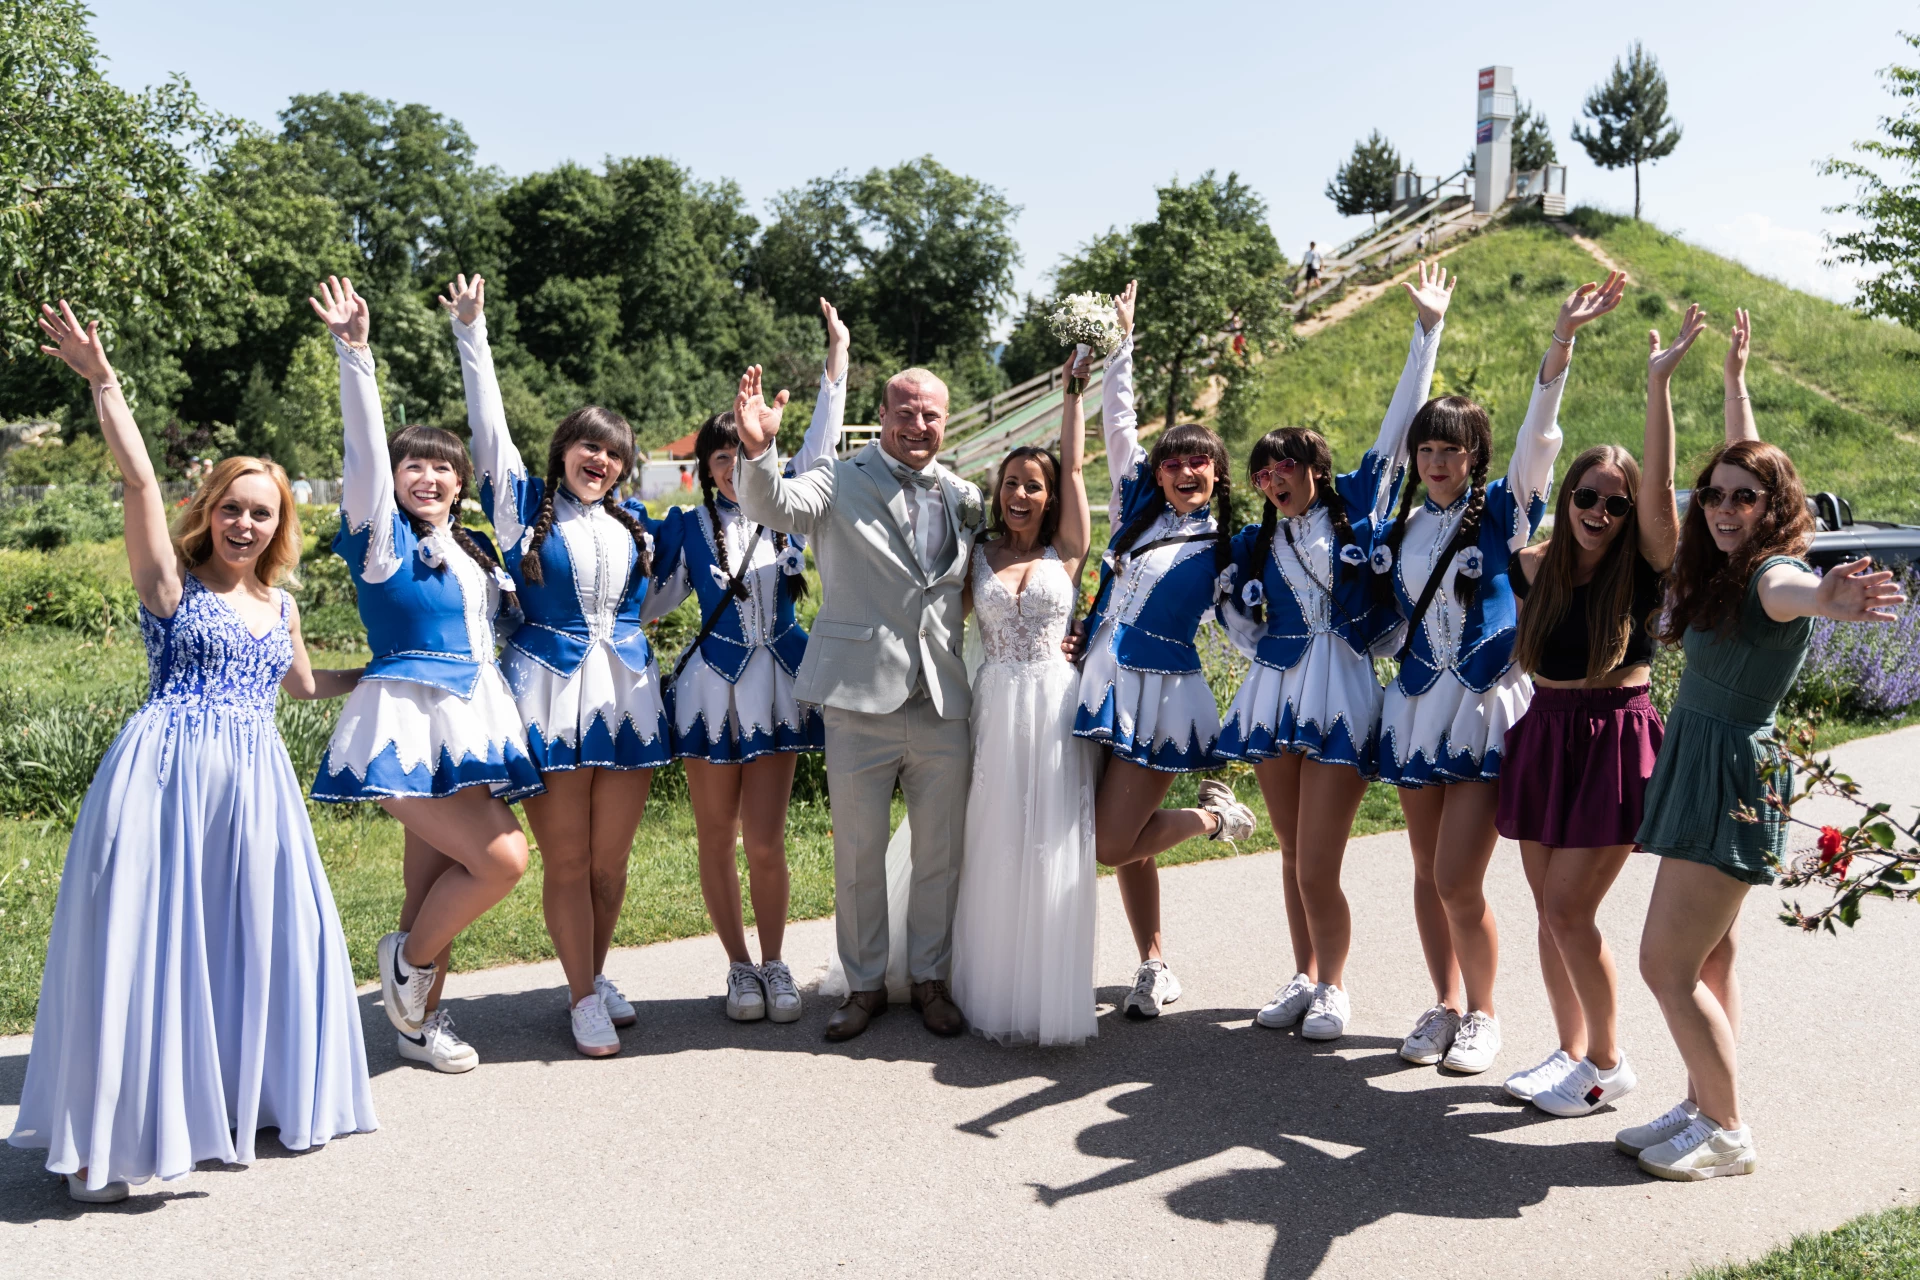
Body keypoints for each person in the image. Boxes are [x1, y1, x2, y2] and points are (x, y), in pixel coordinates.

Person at [10, 301, 377, 1204]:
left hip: (256, 787)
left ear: (276, 524)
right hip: (166, 776)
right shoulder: (170, 587)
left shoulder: (282, 607)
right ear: (208, 512)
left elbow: (300, 688)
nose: (244, 524)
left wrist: (385, 677)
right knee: (148, 945)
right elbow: (138, 485)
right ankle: (106, 1143)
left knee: (248, 940)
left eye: (261, 513)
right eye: (231, 508)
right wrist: (104, 382)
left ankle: (237, 1101)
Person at [1619, 310, 1905, 1181]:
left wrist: (1831, 599)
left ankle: (1729, 1131)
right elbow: (1746, 470)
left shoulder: (1775, 576)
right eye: (1715, 495)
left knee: (1664, 964)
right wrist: (1730, 383)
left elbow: (1796, 589)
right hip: (1708, 765)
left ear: (1775, 508)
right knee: (1707, 955)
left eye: (1747, 496)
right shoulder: (1727, 560)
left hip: (1730, 772)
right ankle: (1705, 1102)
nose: (1728, 506)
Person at [1378, 272, 1626, 1075]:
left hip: (1484, 707)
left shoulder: (1504, 511)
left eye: (1453, 448)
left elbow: (1540, 437)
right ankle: (1445, 1002)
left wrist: (1561, 343)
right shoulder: (1408, 524)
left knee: (1457, 877)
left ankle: (1486, 1012)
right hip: (1416, 706)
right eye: (1428, 447)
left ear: (1476, 456)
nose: (1438, 459)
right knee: (1424, 873)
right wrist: (1425, 334)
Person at [1217, 260, 1454, 1042]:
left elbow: (1400, 426)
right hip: (1275, 686)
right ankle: (1304, 972)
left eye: (1283, 465)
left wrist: (1428, 332)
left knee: (1318, 862)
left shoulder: (1358, 500)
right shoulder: (1260, 540)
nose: (1270, 477)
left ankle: (1335, 987)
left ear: (1314, 468)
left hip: (1343, 688)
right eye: (1261, 470)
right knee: (1290, 858)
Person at [308, 277, 539, 1073]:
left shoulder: (477, 546)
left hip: (473, 726)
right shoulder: (382, 543)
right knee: (504, 860)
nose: (429, 478)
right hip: (405, 723)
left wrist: (472, 336)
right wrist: (355, 356)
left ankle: (415, 1028)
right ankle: (407, 964)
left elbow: (491, 439)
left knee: (432, 885)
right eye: (415, 468)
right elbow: (363, 453)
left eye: (441, 470)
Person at [442, 274, 665, 1059]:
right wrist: (474, 336)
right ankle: (580, 996)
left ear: (625, 465)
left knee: (611, 863)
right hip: (549, 698)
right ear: (563, 450)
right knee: (568, 860)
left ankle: (593, 972)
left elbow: (667, 594)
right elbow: (488, 436)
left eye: (613, 452)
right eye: (587, 445)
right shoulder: (523, 508)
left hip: (629, 701)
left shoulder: (637, 527)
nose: (598, 459)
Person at [731, 355, 985, 1044]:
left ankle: (932, 979)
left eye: (931, 412)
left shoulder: (966, 495)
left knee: (942, 852)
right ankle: (865, 984)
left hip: (941, 702)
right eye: (905, 411)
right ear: (884, 413)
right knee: (859, 854)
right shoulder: (839, 478)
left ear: (945, 418)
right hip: (856, 701)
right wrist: (759, 452)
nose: (919, 424)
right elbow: (771, 506)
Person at [1497, 302, 1706, 1115]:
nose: (1600, 512)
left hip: (1615, 739)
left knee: (1568, 909)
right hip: (1546, 734)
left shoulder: (1647, 565)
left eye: (1614, 505)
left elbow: (1660, 494)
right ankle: (1570, 1049)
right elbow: (1529, 455)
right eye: (1589, 495)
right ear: (1570, 493)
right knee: (1552, 918)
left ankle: (1608, 1062)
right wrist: (1559, 344)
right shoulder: (1535, 564)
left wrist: (1658, 388)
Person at [646, 299, 848, 1023]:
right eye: (720, 458)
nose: (733, 468)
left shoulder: (792, 507)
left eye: (742, 454)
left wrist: (837, 360)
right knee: (714, 835)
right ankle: (736, 967)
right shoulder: (687, 527)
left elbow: (823, 447)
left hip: (781, 685)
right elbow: (645, 601)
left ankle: (774, 961)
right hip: (710, 688)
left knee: (765, 840)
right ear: (704, 467)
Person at [1071, 280, 1259, 1020]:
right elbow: (1118, 424)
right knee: (1125, 838)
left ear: (1216, 476)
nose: (1185, 472)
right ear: (1159, 474)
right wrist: (1123, 342)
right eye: (1173, 463)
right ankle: (1153, 965)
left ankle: (1217, 817)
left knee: (1113, 842)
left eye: (1199, 465)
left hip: (1163, 700)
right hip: (1097, 685)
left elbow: (1250, 628)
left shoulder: (1225, 545)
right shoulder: (1133, 517)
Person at [948, 347, 1101, 1047]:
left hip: (1053, 707)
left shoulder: (1067, 548)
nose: (1020, 495)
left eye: (1032, 485)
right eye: (1010, 483)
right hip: (992, 707)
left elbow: (1075, 466)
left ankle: (1044, 988)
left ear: (1049, 496)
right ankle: (986, 984)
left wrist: (1074, 391)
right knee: (993, 839)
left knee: (1051, 840)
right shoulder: (974, 554)